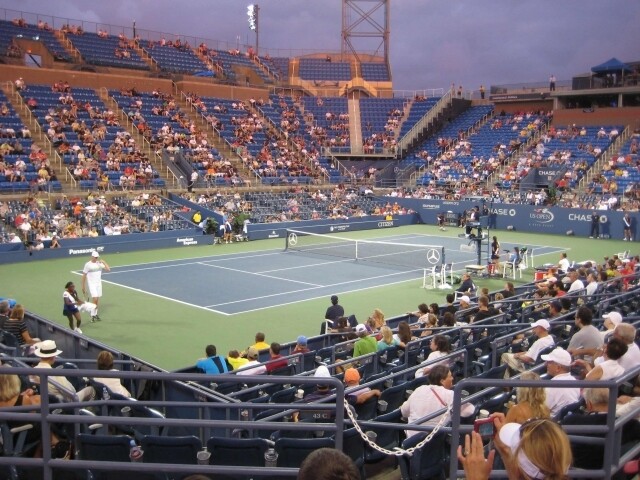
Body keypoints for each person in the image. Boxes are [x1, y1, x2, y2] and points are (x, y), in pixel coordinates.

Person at [562, 387, 640, 471]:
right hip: (611, 472)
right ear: (613, 402)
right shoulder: (628, 424)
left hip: (571, 471)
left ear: (589, 404)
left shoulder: (571, 420)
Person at [400, 365, 475, 438]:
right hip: (434, 439)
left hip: (412, 438)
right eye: (450, 376)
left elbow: (404, 412)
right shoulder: (449, 394)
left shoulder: (419, 389)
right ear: (442, 381)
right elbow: (469, 411)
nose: (452, 378)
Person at [540, 347, 580, 418]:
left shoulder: (552, 386)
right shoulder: (573, 380)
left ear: (558, 368)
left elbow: (540, 411)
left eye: (549, 362)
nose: (546, 364)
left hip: (551, 424)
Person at [81, 250, 110, 320]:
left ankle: (95, 314)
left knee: (97, 300)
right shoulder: (87, 265)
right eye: (95, 257)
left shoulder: (99, 263)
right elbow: (84, 275)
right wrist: (83, 286)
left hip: (99, 284)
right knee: (95, 298)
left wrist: (104, 262)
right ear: (92, 257)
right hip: (92, 284)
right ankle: (92, 314)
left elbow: (108, 269)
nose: (96, 258)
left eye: (97, 257)